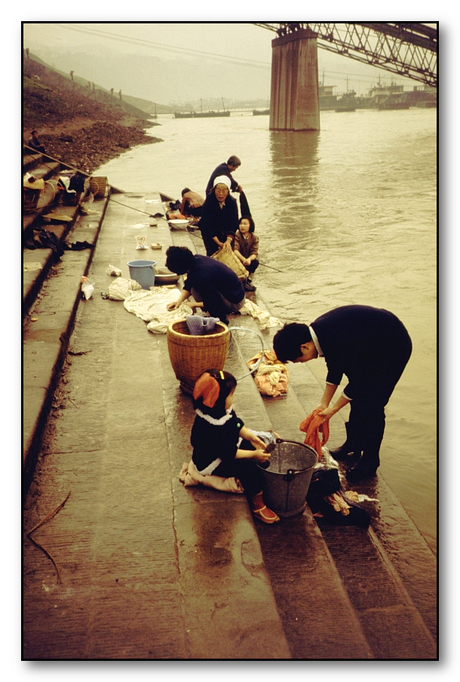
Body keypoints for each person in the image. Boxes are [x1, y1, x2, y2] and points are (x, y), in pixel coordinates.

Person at [273, 305, 412, 481]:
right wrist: (324, 403)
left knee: (373, 404)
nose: (300, 362)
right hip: (369, 345)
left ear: (304, 347)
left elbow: (359, 381)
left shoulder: (336, 337)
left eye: (297, 360)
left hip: (392, 347)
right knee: (358, 398)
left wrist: (334, 409)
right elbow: (335, 367)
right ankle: (353, 444)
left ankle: (370, 460)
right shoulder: (321, 335)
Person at [187, 368, 280, 524]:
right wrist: (253, 455)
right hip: (212, 462)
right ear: (216, 400)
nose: (233, 397)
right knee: (249, 467)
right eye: (231, 395)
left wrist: (251, 436)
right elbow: (229, 453)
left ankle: (258, 461)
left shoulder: (217, 411)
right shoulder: (212, 427)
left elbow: (235, 423)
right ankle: (258, 504)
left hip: (225, 448)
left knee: (252, 446)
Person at [165, 246, 245, 325]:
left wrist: (194, 305)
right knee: (194, 288)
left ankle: (220, 320)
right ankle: (213, 313)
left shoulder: (201, 275)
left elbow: (216, 301)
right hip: (233, 292)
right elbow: (189, 284)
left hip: (235, 301)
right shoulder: (196, 259)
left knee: (197, 289)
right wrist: (178, 301)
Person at [198, 176, 239, 256]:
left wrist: (228, 241)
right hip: (210, 234)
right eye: (218, 190)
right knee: (212, 254)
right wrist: (218, 242)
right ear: (214, 190)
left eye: (224, 191)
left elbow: (233, 223)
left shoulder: (232, 202)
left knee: (227, 254)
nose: (221, 194)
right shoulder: (209, 201)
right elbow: (207, 224)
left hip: (226, 232)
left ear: (228, 191)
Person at [233, 215, 259, 292]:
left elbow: (254, 253)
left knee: (255, 262)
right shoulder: (237, 235)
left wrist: (249, 259)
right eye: (241, 224)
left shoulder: (254, 237)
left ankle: (246, 277)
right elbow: (235, 250)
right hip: (238, 259)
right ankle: (243, 279)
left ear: (250, 225)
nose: (242, 226)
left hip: (247, 260)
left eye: (245, 224)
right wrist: (243, 259)